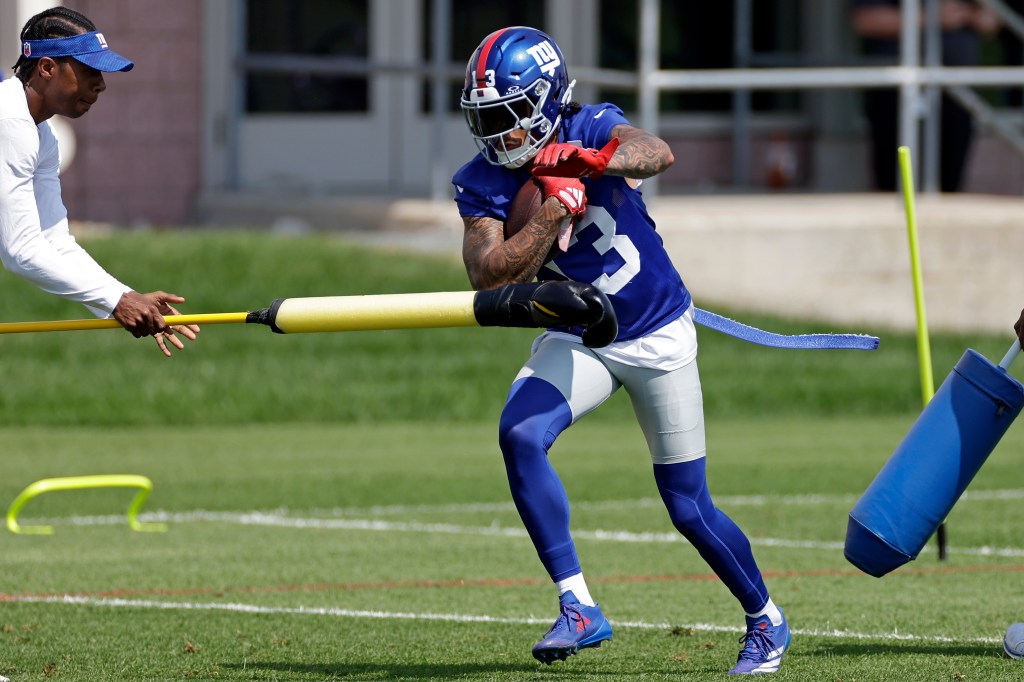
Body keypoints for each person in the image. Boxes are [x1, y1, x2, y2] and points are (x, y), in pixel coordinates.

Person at [452, 27, 790, 675]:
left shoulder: (592, 122)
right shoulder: (482, 181)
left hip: (657, 334)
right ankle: (577, 605)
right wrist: (554, 210)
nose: (498, 135)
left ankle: (766, 620)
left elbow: (655, 152)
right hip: (579, 335)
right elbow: (491, 276)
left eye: (509, 116)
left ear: (547, 102)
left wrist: (589, 162)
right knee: (520, 435)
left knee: (688, 506)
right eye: (486, 119)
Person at [1, 6, 198, 355]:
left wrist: (125, 296)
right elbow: (21, 251)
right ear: (47, 67)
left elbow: (53, 241)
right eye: (89, 70)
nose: (102, 85)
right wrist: (116, 300)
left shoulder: (42, 138)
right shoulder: (11, 122)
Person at [851, 0, 1001, 192]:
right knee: (892, 179)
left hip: (958, 89)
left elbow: (992, 21)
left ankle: (943, 219)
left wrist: (973, 16)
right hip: (897, 86)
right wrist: (931, 18)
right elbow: (864, 20)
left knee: (949, 179)